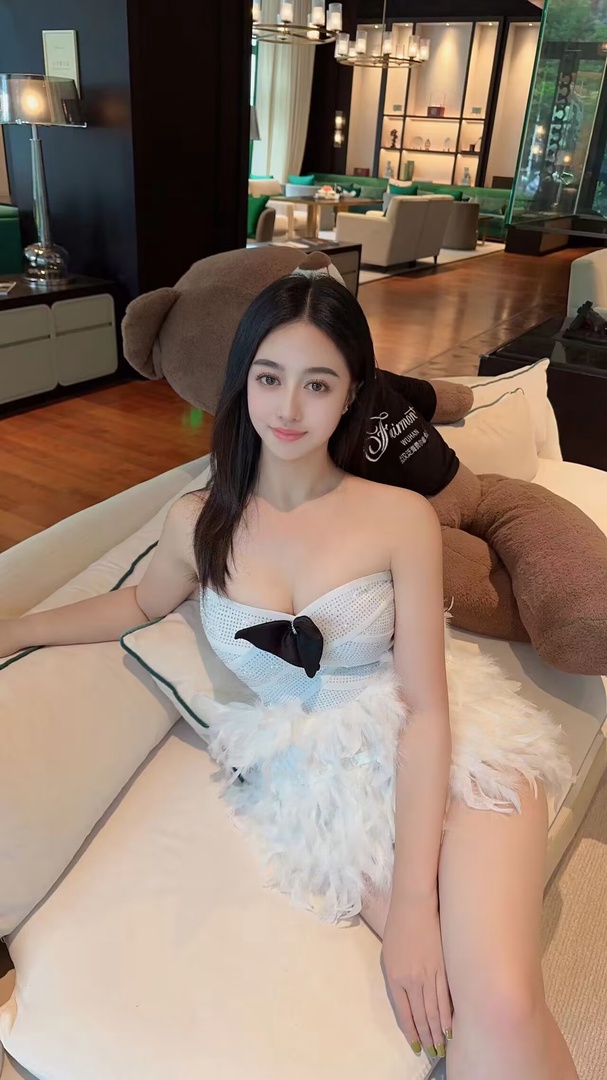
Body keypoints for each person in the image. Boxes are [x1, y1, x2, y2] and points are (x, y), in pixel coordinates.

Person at [1, 268, 578, 1080]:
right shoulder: (196, 524)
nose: (288, 408)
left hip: (450, 748)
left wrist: (413, 905)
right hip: (317, 789)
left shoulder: (399, 516)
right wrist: (16, 627)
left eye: (317, 383)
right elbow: (136, 604)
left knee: (504, 1000)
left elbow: (425, 709)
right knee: (456, 997)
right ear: (242, 383)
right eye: (269, 378)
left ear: (350, 396)